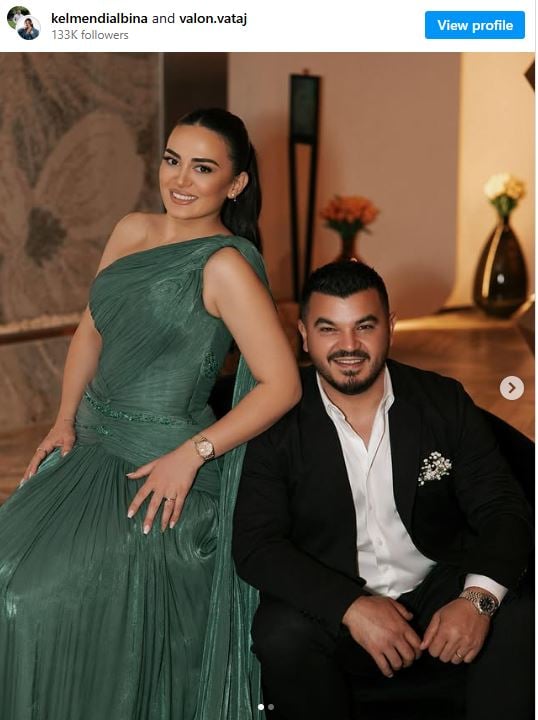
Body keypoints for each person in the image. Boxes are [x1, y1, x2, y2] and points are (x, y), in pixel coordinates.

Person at [0, 108, 301, 720]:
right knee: (8, 571)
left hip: (160, 468)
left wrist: (192, 456)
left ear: (236, 183)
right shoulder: (131, 230)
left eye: (203, 168)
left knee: (32, 598)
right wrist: (63, 419)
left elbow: (283, 385)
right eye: (172, 160)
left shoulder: (224, 265)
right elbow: (91, 331)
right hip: (88, 445)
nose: (181, 180)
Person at [233, 261, 533, 720]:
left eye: (365, 326)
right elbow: (256, 544)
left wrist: (477, 600)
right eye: (329, 329)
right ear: (304, 334)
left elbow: (503, 506)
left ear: (390, 326)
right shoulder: (276, 421)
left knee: (521, 613)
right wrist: (350, 606)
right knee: (280, 632)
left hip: (437, 588)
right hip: (333, 601)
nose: (349, 346)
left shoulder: (442, 400)